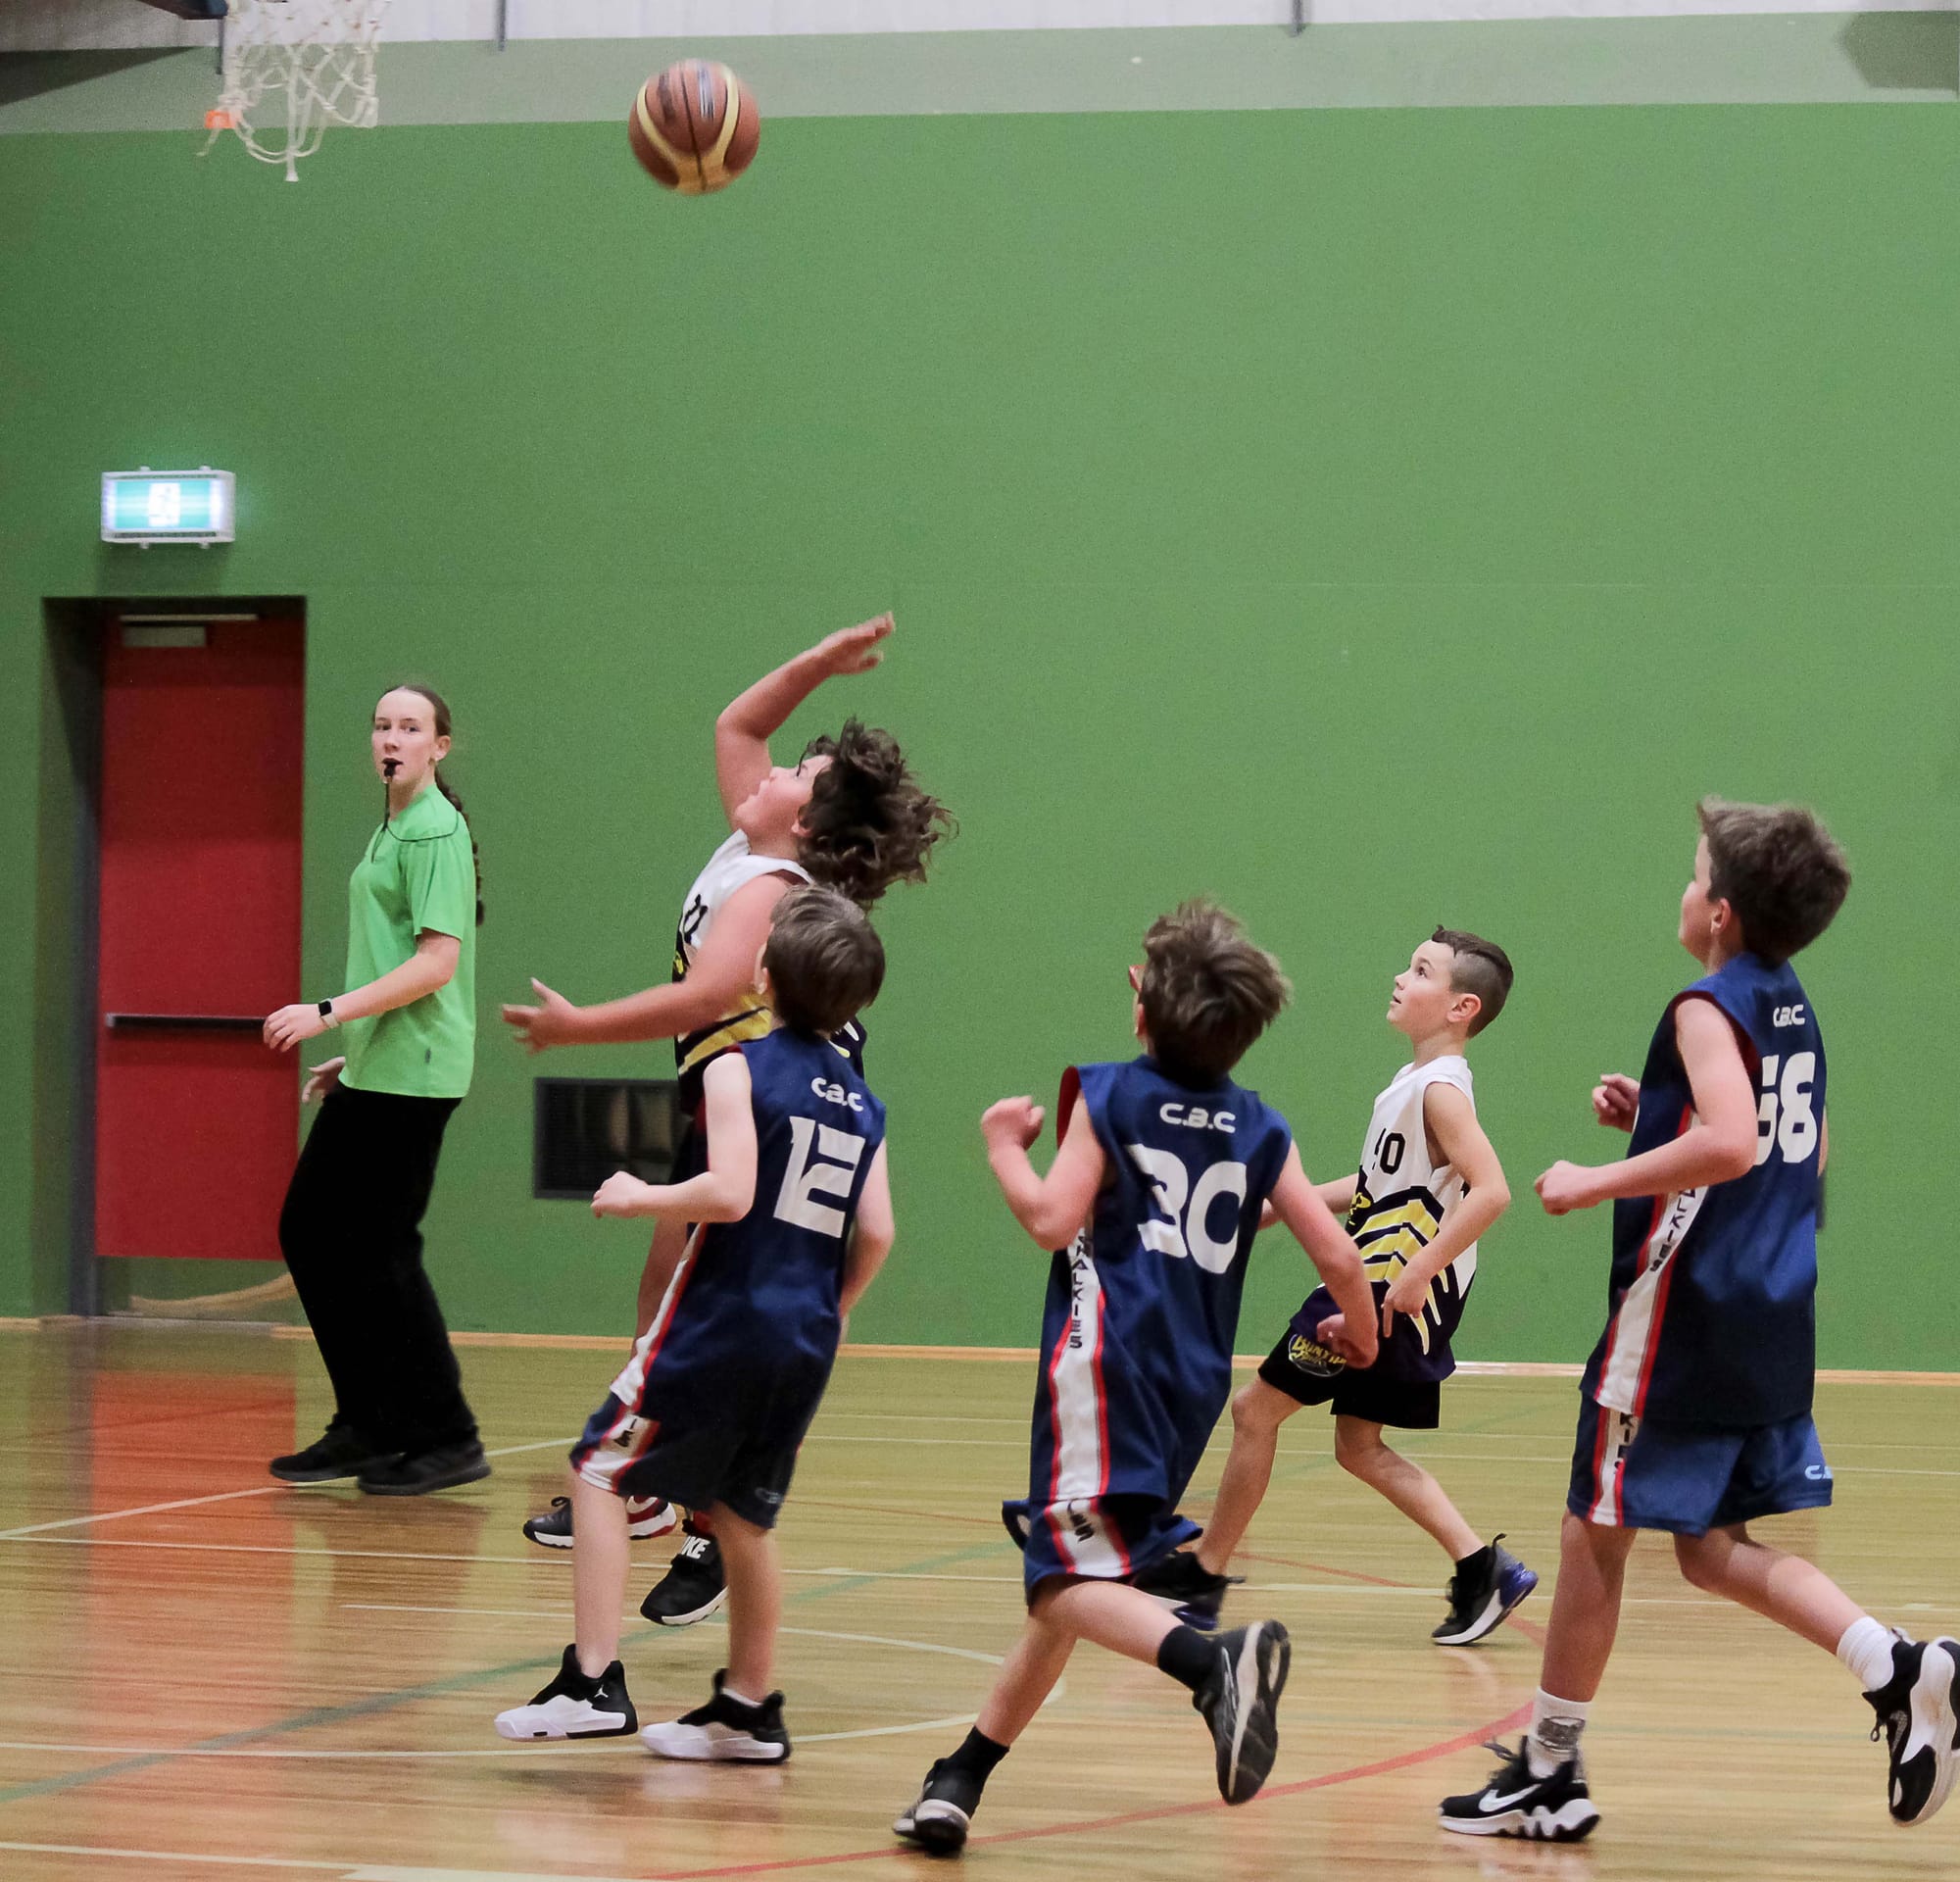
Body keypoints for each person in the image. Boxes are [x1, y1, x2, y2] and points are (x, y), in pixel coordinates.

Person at [1440, 798, 1959, 1841]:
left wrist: (1596, 1177)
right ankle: (1896, 1667)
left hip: (1682, 1316)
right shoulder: (1788, 1002)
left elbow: (1727, 1143)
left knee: (1593, 1528)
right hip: (1772, 1310)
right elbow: (1796, 1150)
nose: (1679, 892)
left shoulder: (1703, 1004)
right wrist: (1655, 1117)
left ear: (1717, 911)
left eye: (1689, 877)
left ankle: (1547, 1769)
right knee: (1707, 1547)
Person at [891, 901, 1380, 1855]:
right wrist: (1358, 1336)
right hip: (1187, 1387)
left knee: (1055, 1578)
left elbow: (1046, 1219)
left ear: (1140, 1007)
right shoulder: (1259, 1126)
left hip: (1100, 1372)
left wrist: (1000, 1144)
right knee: (1087, 1573)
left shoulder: (1109, 1097)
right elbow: (1336, 1254)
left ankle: (1212, 1663)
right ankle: (961, 1776)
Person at [502, 616, 950, 1622]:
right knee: (666, 1299)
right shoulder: (749, 838)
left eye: (796, 769)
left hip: (781, 1104)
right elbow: (734, 722)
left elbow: (706, 998)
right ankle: (658, 1492)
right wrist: (819, 663)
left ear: (802, 819)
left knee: (708, 1309)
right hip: (730, 1097)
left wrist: (577, 1031)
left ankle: (699, 1518)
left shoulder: (773, 887)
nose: (767, 765)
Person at [492, 886, 894, 1760]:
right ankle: (750, 1706)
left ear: (760, 975)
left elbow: (731, 1190)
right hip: (806, 1337)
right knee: (742, 1516)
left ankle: (593, 1682)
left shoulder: (734, 1065)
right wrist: (833, 1309)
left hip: (722, 1317)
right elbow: (879, 1233)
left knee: (600, 1468)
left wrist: (646, 1195)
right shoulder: (866, 1104)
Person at [1157, 927, 1537, 1645]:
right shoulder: (1414, 1085)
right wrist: (1283, 1206)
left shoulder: (1442, 1092)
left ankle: (1204, 1576)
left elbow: (1493, 1192)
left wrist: (1419, 1272)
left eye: (1420, 970)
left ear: (1461, 1008)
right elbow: (1378, 1185)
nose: (1400, 975)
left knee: (1254, 1412)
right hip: (1389, 1281)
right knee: (1358, 1446)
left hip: (1384, 1286)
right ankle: (1485, 1569)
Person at [263, 683, 489, 1496]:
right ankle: (369, 1420)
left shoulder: (434, 828)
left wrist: (326, 1015)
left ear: (440, 746)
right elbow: (391, 954)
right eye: (382, 725)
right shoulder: (394, 823)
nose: (392, 738)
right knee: (317, 1235)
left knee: (381, 1250)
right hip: (381, 1064)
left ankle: (447, 1434)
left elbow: (436, 963)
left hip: (418, 1071)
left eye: (411, 726)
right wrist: (352, 1053)